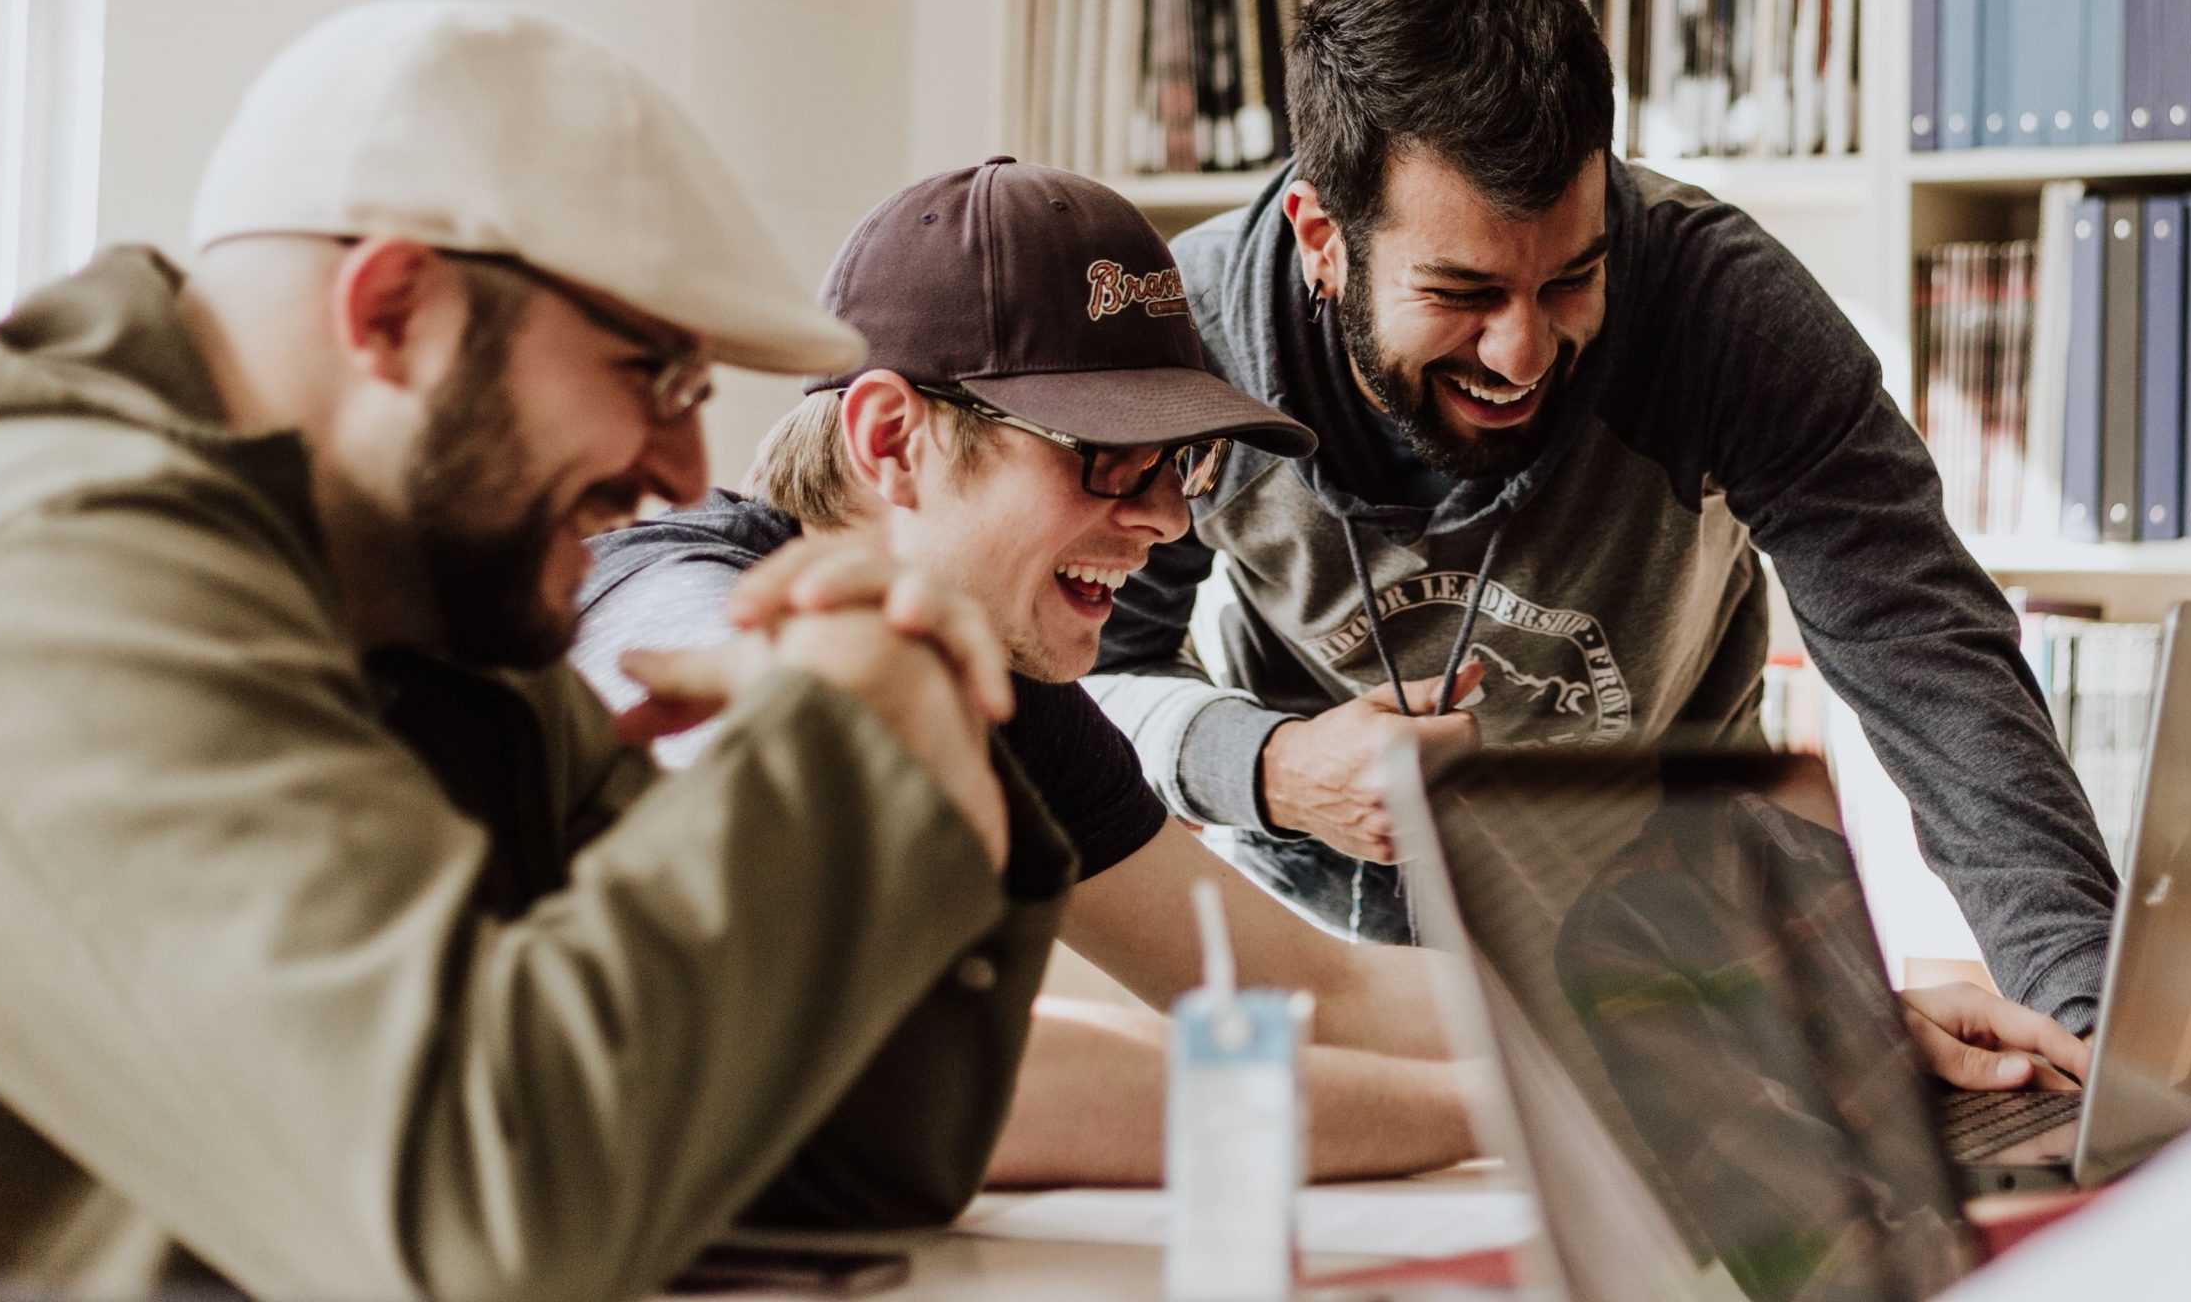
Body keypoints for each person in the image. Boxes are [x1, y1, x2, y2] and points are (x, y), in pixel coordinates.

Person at [0, 0, 1074, 1301]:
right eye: (650, 372)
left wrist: (928, 758)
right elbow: (478, 1223)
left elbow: (816, 1170)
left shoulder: (422, 616)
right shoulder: (37, 572)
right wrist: (841, 752)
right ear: (394, 310)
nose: (683, 464)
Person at [574, 160, 2075, 1187]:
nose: (1165, 521)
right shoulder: (684, 616)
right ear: (893, 439)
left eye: (1183, 467)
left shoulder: (1003, 684)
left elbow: (1302, 985)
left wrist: (1784, 1027)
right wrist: (1609, 1104)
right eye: (1106, 461)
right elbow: (926, 1070)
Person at [1088, 0, 2120, 1046]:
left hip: (1669, 932)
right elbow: (1085, 683)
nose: (1521, 353)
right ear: (1321, 238)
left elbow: (1931, 663)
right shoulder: (1188, 348)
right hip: (1321, 956)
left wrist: (2086, 1026)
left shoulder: (1722, 311)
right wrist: (1268, 766)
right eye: (1462, 294)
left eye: (1570, 278)